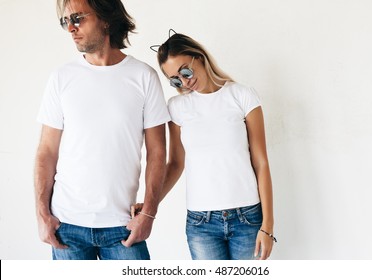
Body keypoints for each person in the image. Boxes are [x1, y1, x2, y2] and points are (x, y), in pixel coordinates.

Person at [34, 0, 170, 260]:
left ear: (106, 19)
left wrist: (149, 214)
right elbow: (47, 151)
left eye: (78, 18)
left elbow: (157, 152)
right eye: (66, 22)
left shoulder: (144, 76)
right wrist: (42, 214)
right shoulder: (61, 78)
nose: (71, 28)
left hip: (123, 227)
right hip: (67, 225)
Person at [138, 32, 276, 260]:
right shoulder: (177, 107)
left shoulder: (242, 96)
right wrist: (149, 205)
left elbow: (260, 162)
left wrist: (268, 226)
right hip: (201, 224)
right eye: (175, 79)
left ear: (199, 58)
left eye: (185, 71)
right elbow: (175, 164)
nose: (184, 82)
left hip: (247, 217)